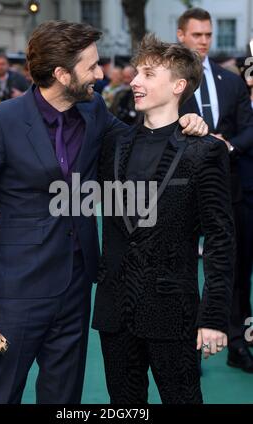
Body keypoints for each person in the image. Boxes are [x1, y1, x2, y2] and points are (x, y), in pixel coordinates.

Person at [0, 20, 207, 404]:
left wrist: (184, 122)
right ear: (61, 73)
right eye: (91, 66)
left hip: (76, 287)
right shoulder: (1, 121)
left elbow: (137, 140)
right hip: (15, 290)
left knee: (64, 399)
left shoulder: (92, 111)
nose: (100, 73)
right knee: (1, 394)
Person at [92, 34, 234, 404]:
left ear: (178, 85)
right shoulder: (113, 144)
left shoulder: (204, 151)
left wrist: (214, 316)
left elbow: (220, 239)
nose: (135, 81)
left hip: (172, 309)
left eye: (148, 74)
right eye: (137, 72)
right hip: (115, 310)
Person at [177, 7, 253, 372]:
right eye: (197, 35)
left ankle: (238, 342)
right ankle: (187, 345)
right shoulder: (172, 82)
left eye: (208, 35)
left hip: (231, 187)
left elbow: (248, 127)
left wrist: (227, 146)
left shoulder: (232, 80)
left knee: (236, 267)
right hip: (184, 189)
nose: (204, 41)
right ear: (181, 36)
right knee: (185, 270)